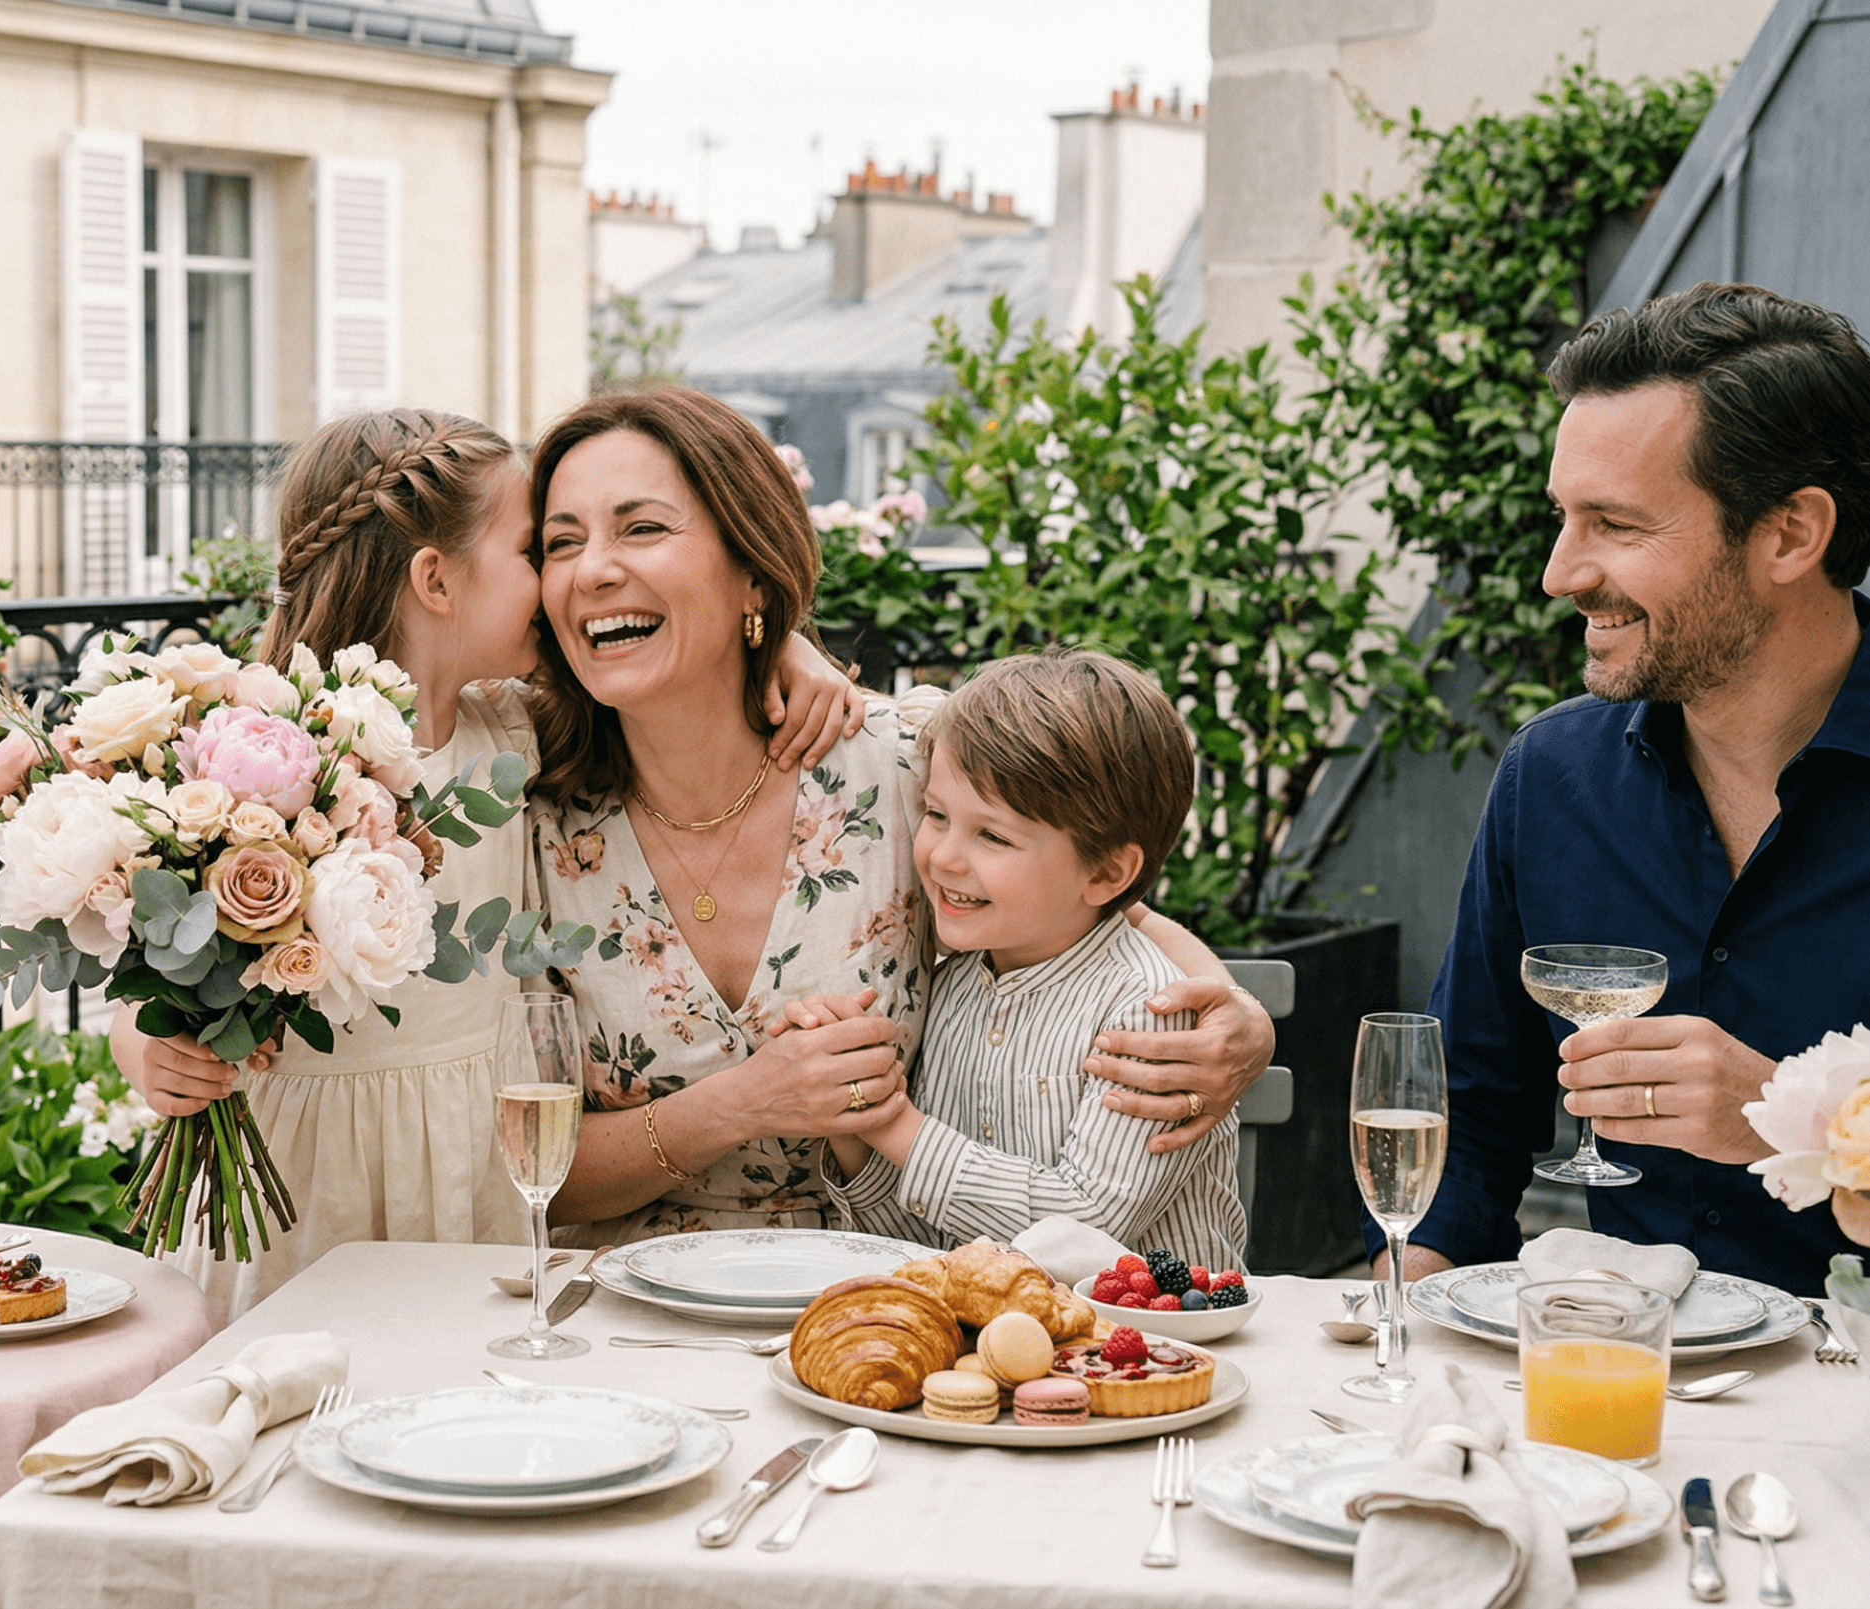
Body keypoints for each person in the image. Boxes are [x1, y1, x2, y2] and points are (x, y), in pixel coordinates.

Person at [111, 408, 867, 1322]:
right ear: (436, 579)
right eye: (533, 552)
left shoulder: (505, 734)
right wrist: (151, 1053)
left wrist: (777, 633)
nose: (560, 584)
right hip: (303, 1187)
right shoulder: (267, 751)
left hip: (478, 1178)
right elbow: (148, 966)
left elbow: (669, 663)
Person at [528, 386, 1275, 1246]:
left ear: (751, 568)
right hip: (622, 1309)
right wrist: (739, 1103)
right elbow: (525, 1172)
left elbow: (1097, 891)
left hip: (895, 1293)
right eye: (561, 542)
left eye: (642, 528)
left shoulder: (906, 762)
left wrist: (1234, 1016)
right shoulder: (526, 815)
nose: (592, 569)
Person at [1374, 282, 1870, 1296]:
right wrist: (1391, 1319)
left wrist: (1791, 1118)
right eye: (1563, 516)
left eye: (1614, 523)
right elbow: (1469, 1133)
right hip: (1611, 1389)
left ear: (1788, 534)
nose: (1559, 572)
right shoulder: (1550, 780)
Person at [812, 648, 1246, 1271]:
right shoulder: (952, 983)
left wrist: (895, 1127)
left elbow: (1088, 1231)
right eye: (937, 815)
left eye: (992, 836)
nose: (944, 857)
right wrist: (851, 1117)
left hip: (1151, 1353)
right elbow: (925, 1240)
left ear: (1105, 872)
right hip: (994, 1353)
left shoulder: (1152, 1015)